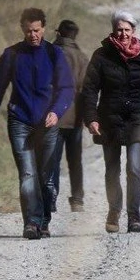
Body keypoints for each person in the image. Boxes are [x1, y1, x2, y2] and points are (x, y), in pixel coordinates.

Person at [0, 7, 75, 240]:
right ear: (22, 30)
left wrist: (56, 112)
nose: (33, 35)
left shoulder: (54, 54)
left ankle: (44, 220)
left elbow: (66, 89)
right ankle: (31, 223)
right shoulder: (12, 55)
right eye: (28, 31)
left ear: (43, 28)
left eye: (36, 30)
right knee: (27, 174)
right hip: (20, 120)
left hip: (48, 122)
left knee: (45, 176)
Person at [78, 10, 140, 234]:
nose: (123, 34)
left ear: (133, 32)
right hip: (109, 120)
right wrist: (91, 118)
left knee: (133, 167)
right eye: (119, 30)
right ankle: (114, 211)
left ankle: (134, 216)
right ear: (113, 31)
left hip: (137, 119)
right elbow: (90, 89)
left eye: (127, 30)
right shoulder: (102, 56)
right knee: (112, 170)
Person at [47, 19, 91, 215]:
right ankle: (77, 200)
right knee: (75, 161)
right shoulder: (82, 57)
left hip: (54, 114)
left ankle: (51, 197)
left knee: (52, 160)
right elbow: (86, 88)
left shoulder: (49, 54)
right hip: (76, 117)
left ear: (58, 33)